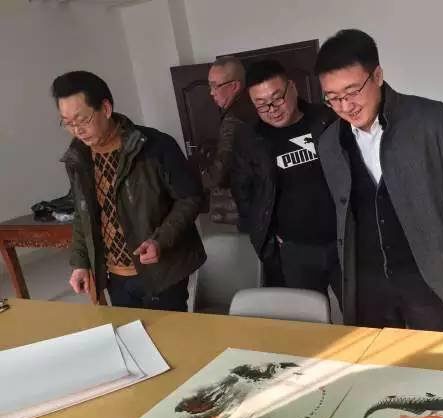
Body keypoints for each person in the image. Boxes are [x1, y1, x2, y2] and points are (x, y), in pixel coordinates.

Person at [314, 29, 443, 331]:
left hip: (428, 277)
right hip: (367, 283)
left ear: (377, 75)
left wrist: (440, 245)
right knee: (380, 355)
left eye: (352, 91)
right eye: (333, 98)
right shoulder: (329, 143)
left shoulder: (431, 119)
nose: (345, 106)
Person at [53, 70, 205, 311]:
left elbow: (190, 198)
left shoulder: (155, 146)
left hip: (162, 270)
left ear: (105, 108)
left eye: (82, 120)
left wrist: (160, 240)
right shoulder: (78, 157)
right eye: (68, 123)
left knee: (169, 332)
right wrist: (81, 263)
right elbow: (83, 214)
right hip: (115, 276)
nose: (77, 131)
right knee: (129, 332)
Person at [231, 60, 341, 300]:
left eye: (277, 98)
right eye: (261, 105)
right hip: (293, 249)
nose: (272, 109)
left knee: (360, 312)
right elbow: (244, 193)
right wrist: (268, 236)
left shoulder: (325, 120)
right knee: (307, 317)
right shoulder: (250, 140)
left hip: (343, 241)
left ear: (292, 87)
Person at [206, 57, 257, 228]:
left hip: (247, 201)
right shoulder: (255, 104)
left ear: (234, 86)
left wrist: (205, 177)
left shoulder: (233, 119)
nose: (211, 92)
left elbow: (221, 170)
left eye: (215, 86)